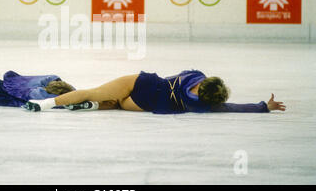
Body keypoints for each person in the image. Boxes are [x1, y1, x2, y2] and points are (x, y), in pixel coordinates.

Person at [25, 70, 286, 114]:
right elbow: (233, 108)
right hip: (147, 103)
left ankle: (46, 105)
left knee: (94, 91)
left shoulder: (195, 75)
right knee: (116, 104)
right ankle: (94, 106)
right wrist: (263, 106)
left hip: (143, 82)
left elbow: (187, 69)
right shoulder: (203, 105)